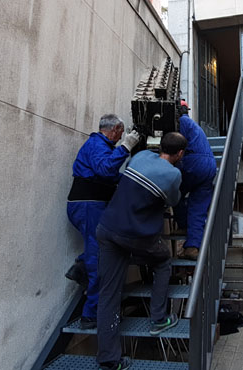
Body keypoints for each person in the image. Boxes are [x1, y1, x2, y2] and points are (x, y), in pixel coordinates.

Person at [95, 132, 188, 370]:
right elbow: (173, 201)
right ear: (180, 154)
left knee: (108, 294)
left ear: (160, 146)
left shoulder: (141, 156)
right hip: (134, 236)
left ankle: (109, 360)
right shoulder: (174, 174)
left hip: (107, 229)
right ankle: (159, 318)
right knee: (164, 260)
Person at [65, 114, 141, 329]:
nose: (121, 137)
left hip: (89, 205)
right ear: (115, 129)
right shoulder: (98, 144)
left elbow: (106, 175)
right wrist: (126, 148)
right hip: (88, 206)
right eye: (121, 132)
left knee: (97, 249)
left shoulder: (99, 146)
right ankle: (91, 314)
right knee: (98, 256)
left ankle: (81, 266)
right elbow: (105, 169)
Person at [174, 101, 217, 260]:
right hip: (209, 165)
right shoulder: (193, 125)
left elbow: (175, 146)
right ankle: (192, 247)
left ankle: (183, 224)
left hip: (193, 163)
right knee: (198, 208)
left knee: (174, 191)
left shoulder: (181, 122)